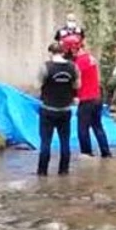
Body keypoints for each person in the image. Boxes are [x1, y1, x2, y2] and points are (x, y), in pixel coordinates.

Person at [36, 41, 80, 176]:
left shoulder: (45, 67)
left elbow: (38, 85)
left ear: (50, 53)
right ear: (63, 52)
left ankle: (42, 172)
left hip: (48, 109)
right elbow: (77, 86)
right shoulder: (73, 67)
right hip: (65, 110)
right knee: (65, 142)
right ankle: (64, 171)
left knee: (45, 143)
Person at [65, 35, 111, 158]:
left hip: (86, 100)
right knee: (98, 126)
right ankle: (106, 153)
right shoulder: (91, 58)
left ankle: (86, 153)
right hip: (97, 97)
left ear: (72, 49)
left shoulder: (79, 63)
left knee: (82, 128)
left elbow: (75, 83)